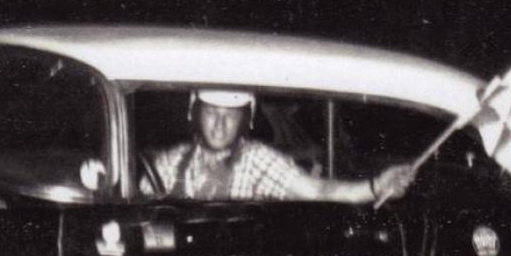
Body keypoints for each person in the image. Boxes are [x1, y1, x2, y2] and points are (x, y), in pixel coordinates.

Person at [147, 90, 415, 203]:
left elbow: (317, 190)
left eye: (230, 115)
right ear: (195, 113)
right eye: (211, 113)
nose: (220, 124)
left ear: (245, 119)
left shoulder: (256, 160)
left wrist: (375, 187)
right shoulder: (168, 163)